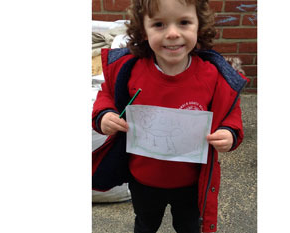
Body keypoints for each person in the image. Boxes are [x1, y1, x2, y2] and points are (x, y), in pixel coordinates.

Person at [92, 0, 248, 232]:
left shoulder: (211, 75)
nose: (173, 33)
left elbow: (230, 111)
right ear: (143, 30)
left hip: (191, 182)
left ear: (199, 26)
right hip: (142, 178)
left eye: (184, 22)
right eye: (159, 24)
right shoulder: (130, 70)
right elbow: (107, 95)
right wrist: (105, 115)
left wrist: (229, 132)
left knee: (188, 226)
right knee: (145, 224)